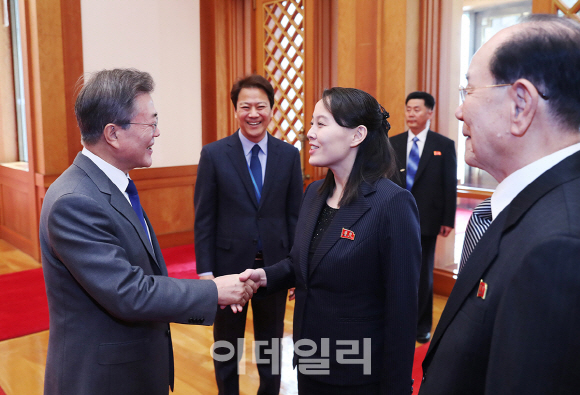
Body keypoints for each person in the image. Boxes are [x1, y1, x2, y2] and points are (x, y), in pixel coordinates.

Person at [39, 68, 256, 395]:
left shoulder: (110, 185)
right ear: (113, 133)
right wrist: (213, 291)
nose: (157, 133)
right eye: (150, 123)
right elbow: (127, 292)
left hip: (130, 369)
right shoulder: (75, 201)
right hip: (102, 380)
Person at [420, 15, 580, 395]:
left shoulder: (559, 248)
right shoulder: (535, 204)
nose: (459, 111)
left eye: (468, 91)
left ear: (521, 104)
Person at [240, 87, 421, 394]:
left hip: (359, 376)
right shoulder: (314, 194)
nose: (309, 133)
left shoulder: (392, 204)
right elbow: (303, 262)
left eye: (321, 124)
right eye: (311, 124)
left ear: (356, 135)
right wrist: (265, 276)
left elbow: (402, 314)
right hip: (311, 361)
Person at [194, 74, 303, 395]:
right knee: (227, 343)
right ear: (235, 110)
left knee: (270, 342)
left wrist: (295, 269)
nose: (253, 113)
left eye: (261, 106)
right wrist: (205, 272)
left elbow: (295, 216)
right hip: (228, 269)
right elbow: (204, 217)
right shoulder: (214, 154)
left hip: (274, 267)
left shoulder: (288, 155)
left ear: (271, 109)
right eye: (246, 106)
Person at [389, 91, 457, 343]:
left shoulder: (443, 145)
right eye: (408, 109)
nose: (411, 114)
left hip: (427, 220)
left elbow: (449, 185)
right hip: (397, 217)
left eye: (416, 109)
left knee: (422, 274)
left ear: (430, 112)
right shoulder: (393, 143)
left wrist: (448, 219)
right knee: (395, 270)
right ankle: (396, 322)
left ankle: (421, 326)